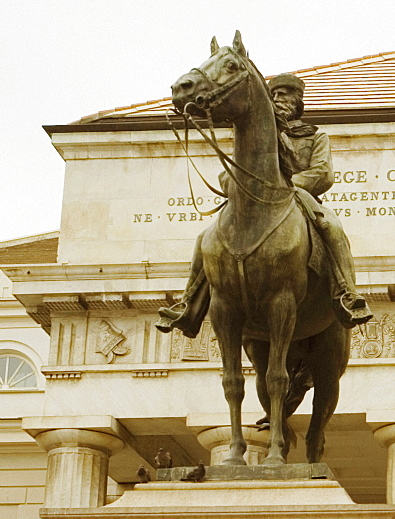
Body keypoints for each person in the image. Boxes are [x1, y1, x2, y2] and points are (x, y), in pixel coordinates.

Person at [156, 73, 372, 338]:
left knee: (332, 226)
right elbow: (228, 175)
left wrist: (285, 185)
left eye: (285, 95)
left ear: (298, 102)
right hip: (256, 200)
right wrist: (238, 183)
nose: (279, 99)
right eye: (275, 95)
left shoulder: (315, 136)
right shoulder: (254, 137)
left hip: (299, 196)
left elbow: (323, 173)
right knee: (205, 237)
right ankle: (188, 304)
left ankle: (347, 294)